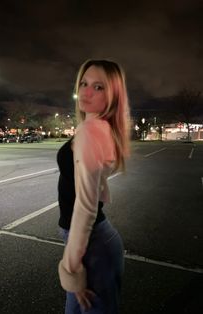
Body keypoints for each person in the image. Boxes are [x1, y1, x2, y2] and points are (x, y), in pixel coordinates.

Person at [57, 59, 130, 314]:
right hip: (94, 242)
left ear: (113, 96)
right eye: (84, 83)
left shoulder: (91, 132)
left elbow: (86, 207)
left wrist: (71, 268)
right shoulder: (98, 128)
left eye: (98, 87)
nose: (86, 91)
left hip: (91, 246)